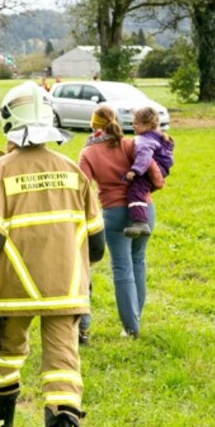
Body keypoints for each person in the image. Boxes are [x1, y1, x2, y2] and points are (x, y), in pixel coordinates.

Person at [0, 82, 105, 427]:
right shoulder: (73, 171)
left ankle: (1, 421)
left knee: (7, 356)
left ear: (9, 123)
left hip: (15, 290)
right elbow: (97, 245)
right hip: (67, 290)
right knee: (64, 364)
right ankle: (63, 424)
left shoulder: (0, 171)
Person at [78, 105, 165, 339]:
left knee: (122, 268)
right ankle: (135, 319)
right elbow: (156, 174)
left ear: (94, 125)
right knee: (138, 261)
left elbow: (81, 188)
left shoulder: (87, 153)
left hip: (114, 213)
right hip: (145, 210)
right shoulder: (131, 144)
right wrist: (150, 191)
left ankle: (131, 328)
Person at [123, 106, 174, 237]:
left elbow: (144, 157)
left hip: (151, 169)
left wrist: (135, 171)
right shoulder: (158, 136)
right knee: (142, 190)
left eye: (136, 123)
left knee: (135, 192)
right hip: (162, 168)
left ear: (147, 124)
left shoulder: (144, 140)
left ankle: (140, 223)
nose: (132, 125)